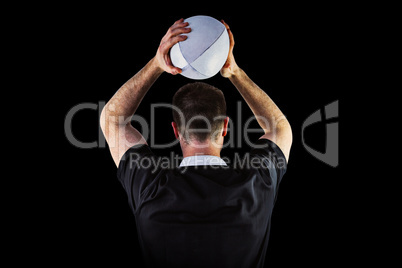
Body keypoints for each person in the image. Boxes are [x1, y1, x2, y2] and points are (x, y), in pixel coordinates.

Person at [100, 18, 292, 268]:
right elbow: (280, 128)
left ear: (175, 130)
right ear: (225, 127)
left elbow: (112, 120)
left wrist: (158, 64)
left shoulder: (150, 188)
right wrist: (234, 72)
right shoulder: (257, 185)